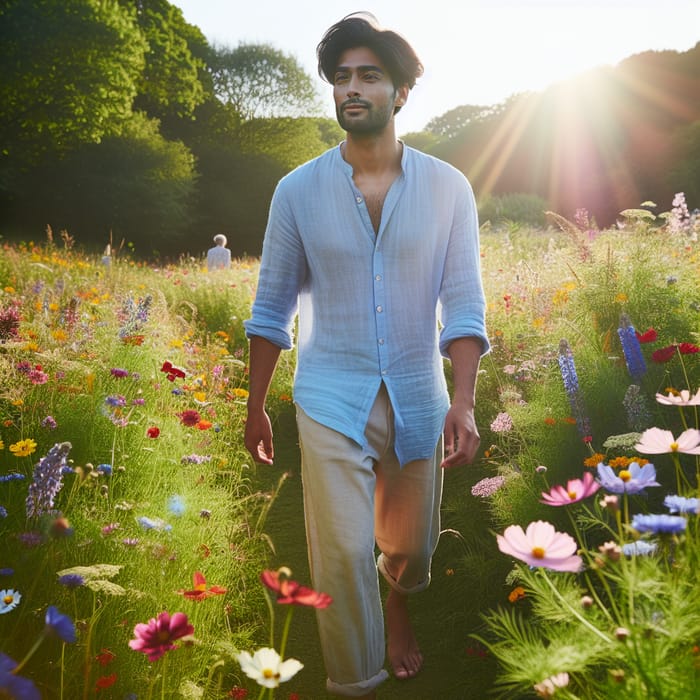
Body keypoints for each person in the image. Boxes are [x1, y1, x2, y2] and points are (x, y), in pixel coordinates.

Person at [243, 12, 489, 699]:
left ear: (400, 92)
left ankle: (401, 603)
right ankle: (356, 681)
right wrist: (256, 406)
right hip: (328, 394)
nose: (352, 88)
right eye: (342, 77)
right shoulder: (296, 191)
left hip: (417, 394)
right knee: (345, 552)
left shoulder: (448, 190)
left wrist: (463, 401)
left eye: (369, 76)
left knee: (408, 549)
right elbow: (270, 309)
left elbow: (464, 305)